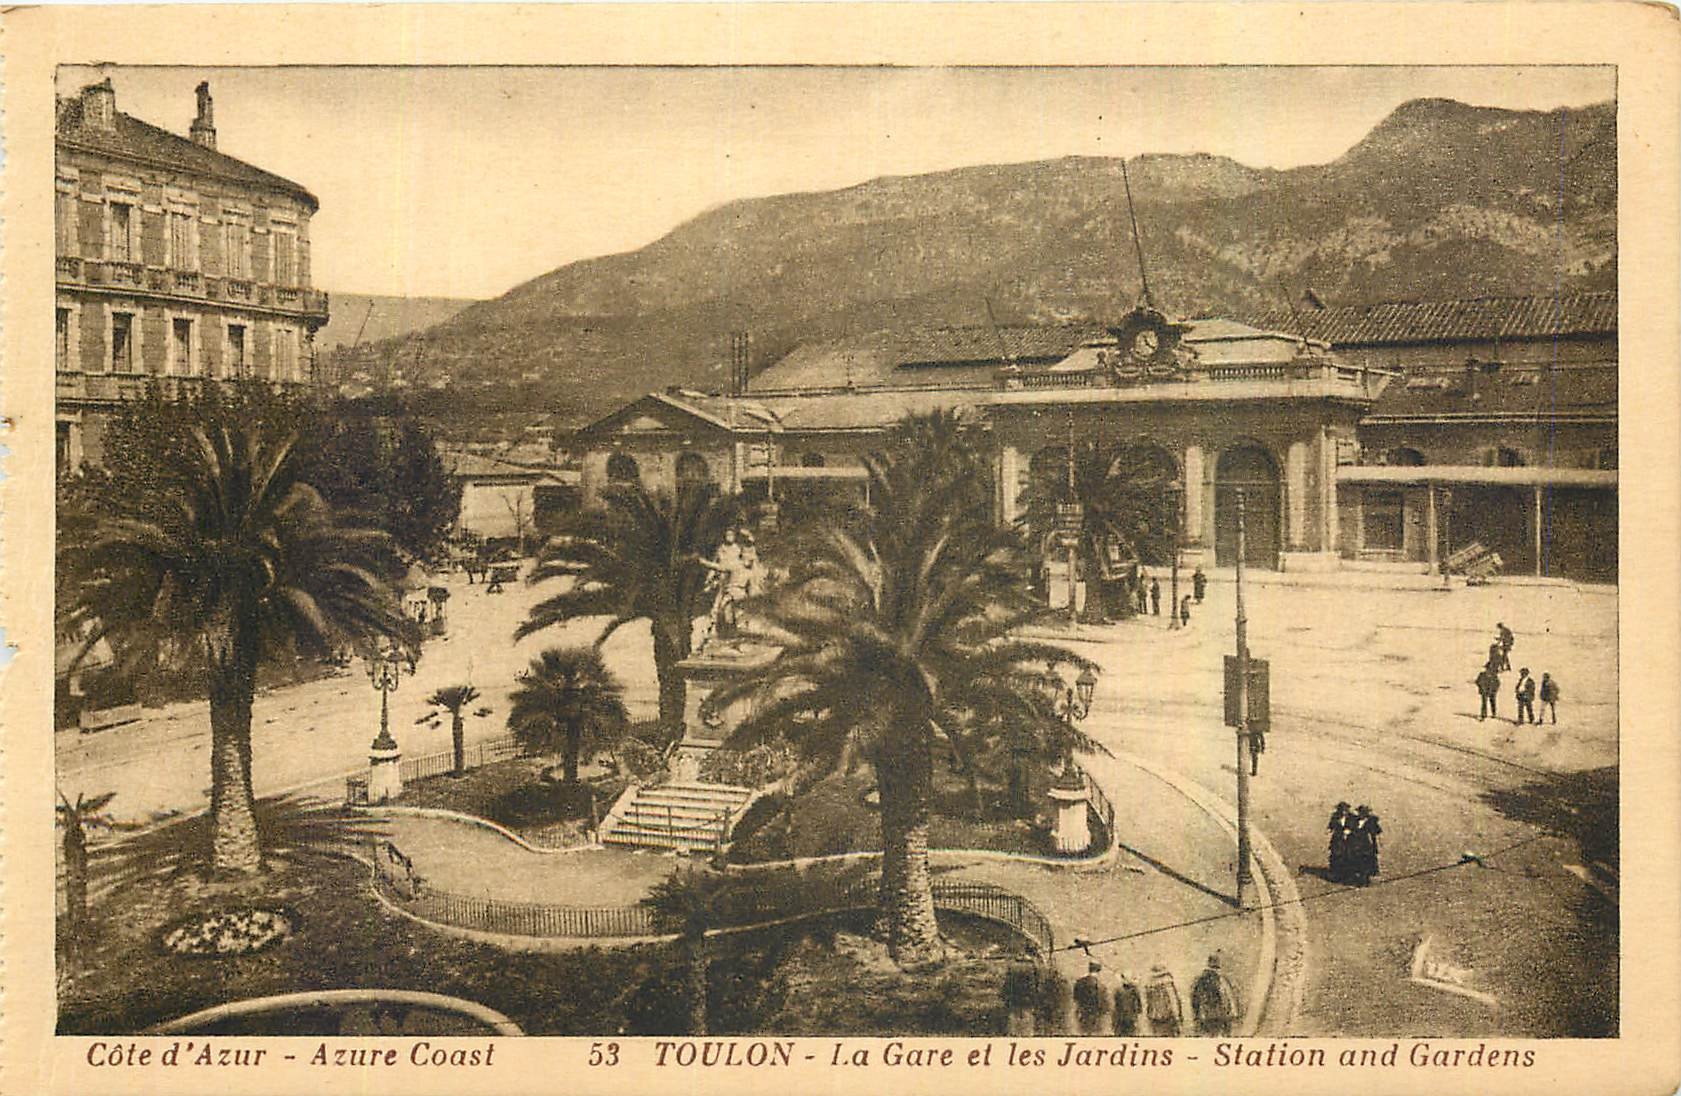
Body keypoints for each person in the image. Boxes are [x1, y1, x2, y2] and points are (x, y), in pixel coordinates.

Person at [1190, 953, 1240, 1036]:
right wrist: (1234, 1013)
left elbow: (1194, 999)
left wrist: (1196, 1015)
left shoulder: (1199, 980)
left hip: (1205, 1016)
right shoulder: (1221, 979)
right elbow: (1228, 997)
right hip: (1220, 1016)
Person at [1002, 947, 1042, 1036]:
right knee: (1027, 1018)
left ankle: (1014, 1035)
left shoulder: (1012, 965)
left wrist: (1005, 996)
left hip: (1014, 996)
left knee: (1013, 1018)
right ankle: (1027, 1036)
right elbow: (1037, 982)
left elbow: (1007, 982)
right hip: (1028, 997)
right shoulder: (1033, 965)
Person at [1072, 961, 1114, 1036]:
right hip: (1096, 1017)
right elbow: (1104, 1004)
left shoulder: (1079, 982)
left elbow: (1075, 998)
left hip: (1082, 1014)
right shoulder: (1101, 986)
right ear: (1099, 971)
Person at [1145, 963, 1183, 1037]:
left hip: (1154, 1018)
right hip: (1167, 1017)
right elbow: (1173, 1002)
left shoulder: (1149, 985)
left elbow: (1148, 1004)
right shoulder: (1167, 984)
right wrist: (1178, 1018)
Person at [1350, 805, 1382, 883]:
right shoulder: (1355, 821)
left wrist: (1376, 845)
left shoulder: (1371, 822)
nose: (1360, 815)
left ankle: (1365, 878)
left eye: (1362, 813)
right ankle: (1360, 877)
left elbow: (1376, 834)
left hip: (1367, 845)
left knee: (1366, 861)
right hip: (1357, 845)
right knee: (1358, 861)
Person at [1327, 801, 1353, 882]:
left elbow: (1355, 827)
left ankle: (1347, 875)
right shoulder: (1335, 817)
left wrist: (1349, 831)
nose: (1343, 812)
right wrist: (1330, 829)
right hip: (1338, 840)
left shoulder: (1351, 817)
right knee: (1336, 856)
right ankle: (1336, 874)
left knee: (1348, 857)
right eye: (1342, 810)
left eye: (1345, 810)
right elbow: (1331, 826)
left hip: (1349, 841)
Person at [1113, 971, 1144, 1036]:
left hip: (1121, 1017)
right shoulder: (1134, 990)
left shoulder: (1118, 990)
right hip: (1130, 1017)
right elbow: (1139, 1006)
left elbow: (1116, 1004)